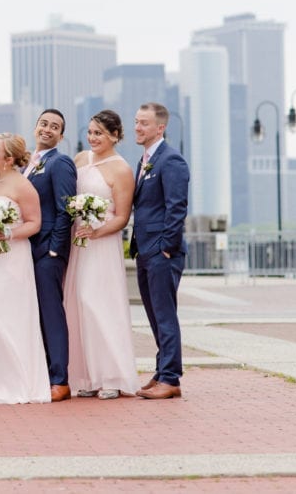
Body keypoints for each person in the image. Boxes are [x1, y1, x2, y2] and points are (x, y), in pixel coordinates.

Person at [65, 110, 137, 400]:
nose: (93, 138)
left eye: (100, 133)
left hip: (101, 244)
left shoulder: (121, 170)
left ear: (115, 136)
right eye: (91, 132)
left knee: (98, 303)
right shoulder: (81, 159)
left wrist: (96, 232)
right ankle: (87, 375)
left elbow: (122, 217)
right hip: (77, 241)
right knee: (76, 303)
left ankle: (111, 375)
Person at [0, 133, 50, 404]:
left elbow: (34, 223)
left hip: (11, 256)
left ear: (8, 158)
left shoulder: (23, 186)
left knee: (6, 315)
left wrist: (8, 233)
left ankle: (17, 381)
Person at [130, 102, 190, 400]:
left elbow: (176, 207)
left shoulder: (171, 160)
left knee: (165, 315)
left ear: (160, 127)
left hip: (161, 252)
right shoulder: (144, 161)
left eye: (144, 123)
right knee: (154, 315)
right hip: (144, 250)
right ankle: (161, 370)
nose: (137, 127)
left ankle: (171, 378)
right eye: (137, 122)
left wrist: (166, 247)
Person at [24, 109, 78, 402]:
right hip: (26, 251)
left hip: (48, 252)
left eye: (55, 126)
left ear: (61, 135)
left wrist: (55, 248)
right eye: (43, 123)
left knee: (51, 313)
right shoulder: (28, 166)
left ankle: (60, 379)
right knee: (35, 315)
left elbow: (65, 208)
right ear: (35, 128)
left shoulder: (60, 163)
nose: (47, 129)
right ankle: (42, 373)